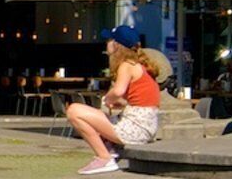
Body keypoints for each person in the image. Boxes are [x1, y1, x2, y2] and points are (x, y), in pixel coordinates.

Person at [66, 34, 170, 176]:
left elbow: (118, 91)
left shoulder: (127, 65)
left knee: (74, 110)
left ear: (116, 45)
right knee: (96, 118)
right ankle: (111, 149)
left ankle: (104, 158)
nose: (106, 44)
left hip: (135, 129)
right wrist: (120, 103)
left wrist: (107, 99)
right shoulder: (140, 66)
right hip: (145, 128)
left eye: (109, 40)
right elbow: (141, 101)